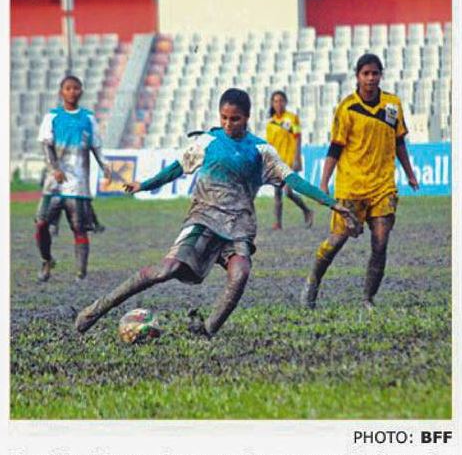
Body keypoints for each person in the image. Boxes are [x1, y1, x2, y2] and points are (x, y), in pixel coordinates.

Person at [75, 88, 358, 338]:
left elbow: (293, 180)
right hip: (204, 218)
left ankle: (207, 330)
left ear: (247, 118)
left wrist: (330, 203)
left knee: (240, 273)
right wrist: (144, 184)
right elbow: (177, 167)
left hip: (238, 225)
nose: (228, 124)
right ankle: (96, 310)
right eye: (224, 118)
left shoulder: (261, 150)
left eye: (234, 119)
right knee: (166, 270)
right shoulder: (209, 141)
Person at [300, 53, 419, 310]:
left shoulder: (392, 105)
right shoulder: (347, 108)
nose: (370, 78)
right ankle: (312, 282)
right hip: (351, 186)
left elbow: (399, 141)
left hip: (383, 186)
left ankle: (368, 298)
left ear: (380, 75)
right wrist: (324, 183)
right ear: (357, 76)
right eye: (366, 73)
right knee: (336, 240)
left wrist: (409, 172)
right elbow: (335, 148)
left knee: (381, 242)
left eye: (375, 73)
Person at [35, 75, 111, 282]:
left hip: (78, 185)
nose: (72, 92)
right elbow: (46, 146)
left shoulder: (88, 118)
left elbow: (97, 146)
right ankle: (46, 259)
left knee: (79, 228)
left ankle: (81, 273)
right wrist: (54, 168)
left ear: (81, 91)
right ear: (61, 92)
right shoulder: (52, 116)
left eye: (76, 88)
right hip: (54, 184)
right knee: (41, 223)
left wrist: (105, 166)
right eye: (68, 88)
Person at [266, 90, 314, 230]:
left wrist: (297, 157)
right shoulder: (271, 124)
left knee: (288, 191)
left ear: (285, 102)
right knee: (277, 192)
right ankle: (278, 223)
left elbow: (297, 137)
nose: (278, 104)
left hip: (290, 160)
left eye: (281, 101)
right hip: (277, 162)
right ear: (272, 104)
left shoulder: (292, 118)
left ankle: (307, 210)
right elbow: (270, 145)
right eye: (275, 101)